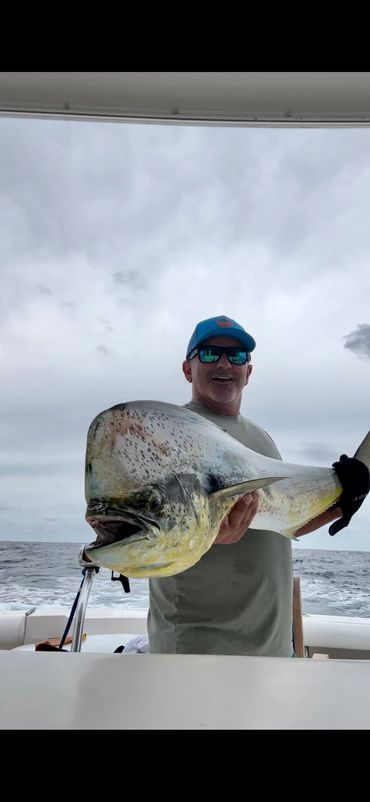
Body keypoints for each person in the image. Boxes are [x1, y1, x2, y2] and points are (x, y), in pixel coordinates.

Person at [147, 315, 369, 656]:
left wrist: (345, 501)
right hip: (195, 650)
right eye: (209, 353)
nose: (224, 363)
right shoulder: (168, 434)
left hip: (273, 647)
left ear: (248, 372)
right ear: (188, 369)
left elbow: (282, 521)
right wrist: (205, 538)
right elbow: (149, 537)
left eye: (236, 356)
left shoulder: (261, 438)